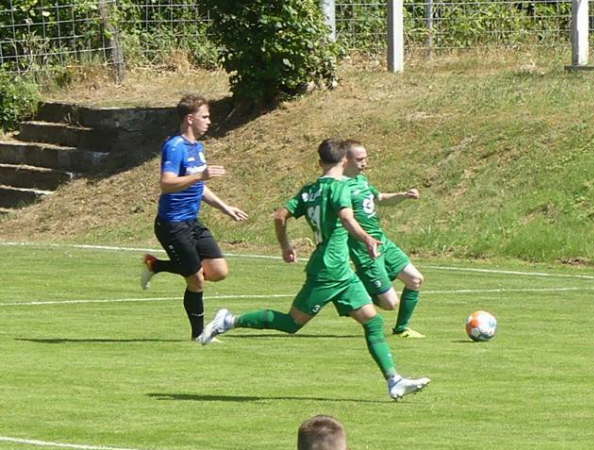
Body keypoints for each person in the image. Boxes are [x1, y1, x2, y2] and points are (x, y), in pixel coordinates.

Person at [200, 139, 430, 400]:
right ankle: (229, 320)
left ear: (320, 163)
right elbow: (346, 218)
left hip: (340, 269)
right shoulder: (340, 188)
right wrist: (367, 239)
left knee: (373, 321)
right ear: (344, 161)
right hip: (329, 270)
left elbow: (279, 215)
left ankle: (394, 381)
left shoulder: (309, 190)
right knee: (291, 323)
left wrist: (286, 245)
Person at [140, 94, 248, 341]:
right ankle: (199, 335)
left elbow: (199, 187)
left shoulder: (198, 148)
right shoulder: (175, 146)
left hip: (192, 222)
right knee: (197, 280)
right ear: (190, 119)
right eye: (205, 116)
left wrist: (224, 207)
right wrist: (201, 176)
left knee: (219, 271)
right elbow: (166, 184)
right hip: (172, 224)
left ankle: (155, 265)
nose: (209, 121)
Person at [342, 139, 425, 338]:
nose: (365, 163)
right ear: (345, 160)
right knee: (389, 304)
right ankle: (347, 293)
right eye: (360, 159)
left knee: (415, 279)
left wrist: (403, 195)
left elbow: (380, 199)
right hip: (364, 248)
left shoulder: (362, 180)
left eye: (366, 158)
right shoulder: (340, 186)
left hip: (383, 242)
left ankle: (402, 328)